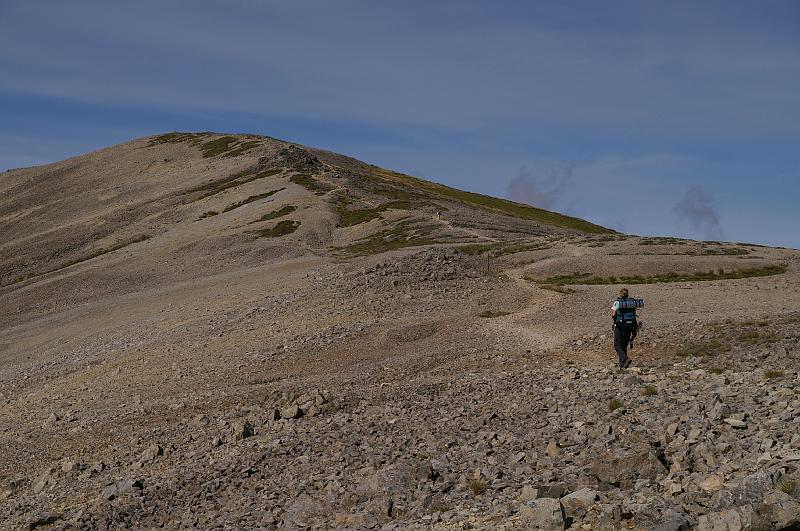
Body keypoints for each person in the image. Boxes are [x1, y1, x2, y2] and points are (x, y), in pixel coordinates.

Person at [611, 288, 638, 368]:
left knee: (617, 345)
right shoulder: (631, 303)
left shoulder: (617, 302)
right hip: (630, 325)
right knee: (624, 345)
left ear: (620, 294)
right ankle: (623, 365)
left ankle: (625, 359)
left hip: (620, 325)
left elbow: (613, 314)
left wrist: (615, 319)